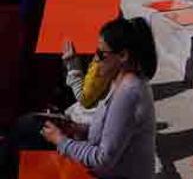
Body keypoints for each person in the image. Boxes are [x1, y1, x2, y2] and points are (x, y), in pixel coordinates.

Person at [41, 16, 158, 179]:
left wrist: (60, 140)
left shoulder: (129, 92)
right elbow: (113, 132)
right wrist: (77, 128)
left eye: (101, 54)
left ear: (123, 55)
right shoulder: (118, 82)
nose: (95, 60)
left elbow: (103, 159)